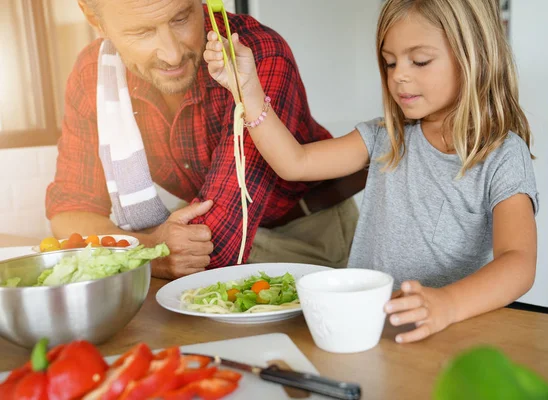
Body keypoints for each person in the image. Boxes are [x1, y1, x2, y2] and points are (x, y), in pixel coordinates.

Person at [203, 0, 538, 343]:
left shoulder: (502, 155)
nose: (399, 76)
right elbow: (295, 163)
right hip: (371, 329)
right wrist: (248, 88)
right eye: (390, 63)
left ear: (475, 57)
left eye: (419, 61)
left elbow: (518, 263)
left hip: (452, 334)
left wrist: (446, 305)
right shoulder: (384, 138)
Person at [45, 0, 364, 279]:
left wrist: (149, 251)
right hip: (200, 237)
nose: (172, 54)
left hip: (306, 233)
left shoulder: (254, 54)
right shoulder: (93, 75)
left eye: (181, 17)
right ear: (93, 19)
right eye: (142, 32)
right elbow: (70, 212)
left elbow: (218, 243)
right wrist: (150, 249)